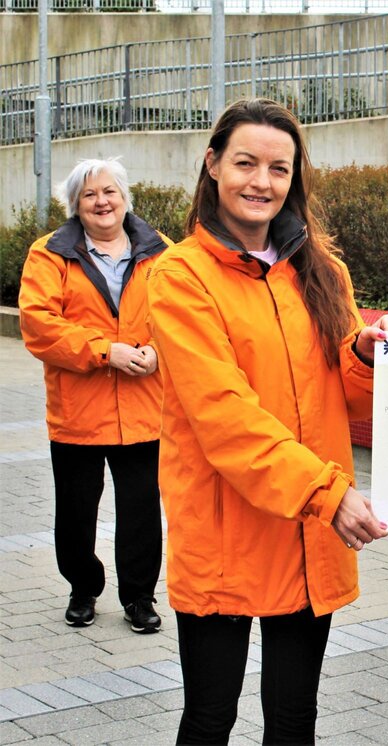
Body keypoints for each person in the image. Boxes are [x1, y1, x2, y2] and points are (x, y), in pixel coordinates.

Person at [146, 98, 388, 744]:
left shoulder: (323, 270)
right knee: (210, 717)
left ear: (295, 179)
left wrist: (367, 357)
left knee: (294, 720)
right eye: (246, 163)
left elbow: (347, 399)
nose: (262, 182)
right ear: (212, 165)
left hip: (309, 537)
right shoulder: (180, 277)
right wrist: (329, 493)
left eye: (278, 169)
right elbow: (224, 416)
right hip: (227, 535)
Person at [19, 158, 169, 634]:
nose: (102, 202)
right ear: (75, 206)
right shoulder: (49, 255)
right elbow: (39, 326)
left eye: (109, 191)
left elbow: (188, 317)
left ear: (125, 197)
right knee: (77, 511)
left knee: (142, 511)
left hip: (144, 408)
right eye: (90, 195)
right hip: (78, 410)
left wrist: (159, 354)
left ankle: (140, 598)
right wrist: (107, 351)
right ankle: (82, 588)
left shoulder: (164, 253)